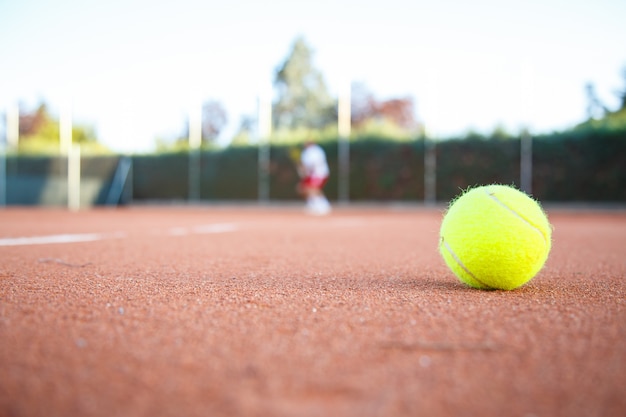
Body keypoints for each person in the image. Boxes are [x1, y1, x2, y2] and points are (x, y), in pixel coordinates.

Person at [297, 141, 331, 215]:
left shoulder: (315, 151)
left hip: (319, 173)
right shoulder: (306, 152)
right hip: (312, 174)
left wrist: (303, 169)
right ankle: (313, 204)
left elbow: (310, 164)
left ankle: (323, 206)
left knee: (312, 189)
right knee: (302, 189)